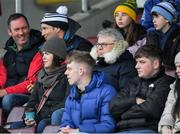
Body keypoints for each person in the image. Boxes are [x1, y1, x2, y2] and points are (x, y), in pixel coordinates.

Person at [110, 45, 175, 133]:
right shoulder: (133, 82)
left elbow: (152, 109)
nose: (136, 66)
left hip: (146, 129)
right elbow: (113, 107)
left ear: (156, 64)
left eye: (142, 62)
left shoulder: (166, 82)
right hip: (122, 130)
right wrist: (134, 100)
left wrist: (124, 113)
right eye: (136, 62)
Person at [10, 37, 69, 133]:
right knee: (13, 126)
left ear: (57, 56)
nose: (43, 57)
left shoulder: (67, 75)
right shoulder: (41, 75)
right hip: (39, 117)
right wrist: (28, 116)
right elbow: (32, 101)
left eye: (47, 54)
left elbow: (65, 102)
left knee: (42, 124)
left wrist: (37, 118)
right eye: (43, 54)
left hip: (51, 118)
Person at [60, 50, 117, 133]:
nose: (66, 73)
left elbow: (108, 126)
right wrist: (64, 130)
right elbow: (66, 122)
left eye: (69, 69)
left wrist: (78, 131)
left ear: (81, 71)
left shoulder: (107, 92)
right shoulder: (72, 95)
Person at [0, 13, 45, 115]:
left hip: (30, 95)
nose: (21, 32)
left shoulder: (40, 50)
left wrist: (6, 92)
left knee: (8, 100)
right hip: (8, 93)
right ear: (9, 32)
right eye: (16, 29)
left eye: (24, 28)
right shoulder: (8, 54)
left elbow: (32, 82)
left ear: (29, 28)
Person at [90, 28, 137, 92]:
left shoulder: (127, 66)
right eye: (98, 44)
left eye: (104, 44)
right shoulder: (95, 64)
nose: (100, 48)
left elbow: (126, 95)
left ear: (118, 46)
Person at [146, 1, 180, 76]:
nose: (153, 20)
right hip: (155, 74)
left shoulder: (178, 35)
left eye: (157, 16)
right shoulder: (151, 35)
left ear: (167, 18)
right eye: (153, 17)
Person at [158, 52, 180, 133]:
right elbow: (169, 108)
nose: (177, 70)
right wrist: (165, 126)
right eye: (176, 67)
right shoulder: (176, 86)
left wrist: (175, 130)